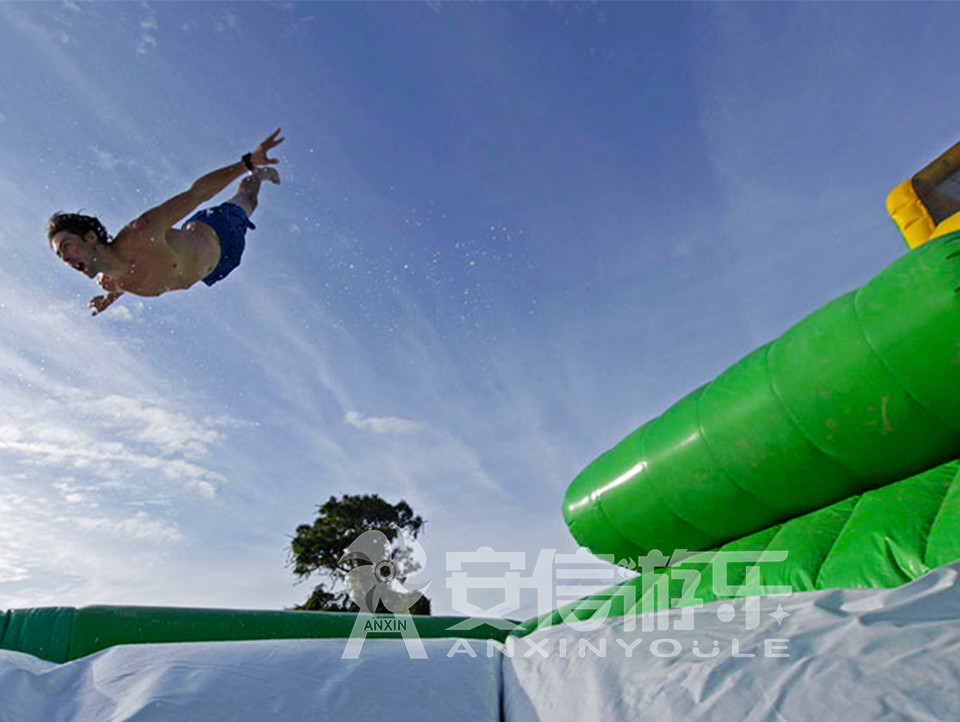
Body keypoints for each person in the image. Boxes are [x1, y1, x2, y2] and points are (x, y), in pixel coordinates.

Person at [47, 128, 284, 316]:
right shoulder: (108, 283)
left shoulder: (142, 232)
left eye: (66, 246)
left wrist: (248, 162)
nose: (65, 259)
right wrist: (106, 303)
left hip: (218, 230)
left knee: (248, 200)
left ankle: (257, 176)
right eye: (60, 256)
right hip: (219, 267)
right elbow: (119, 278)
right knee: (249, 204)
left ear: (90, 237)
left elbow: (198, 194)